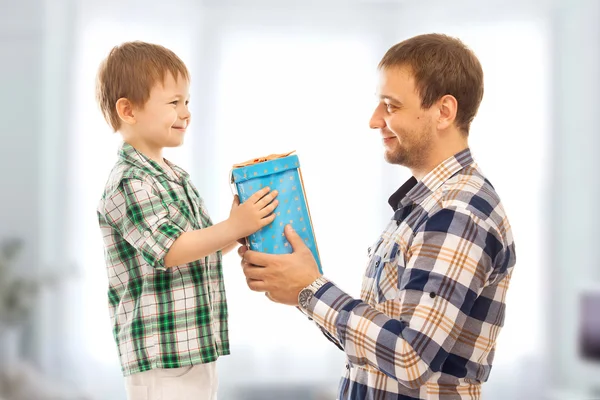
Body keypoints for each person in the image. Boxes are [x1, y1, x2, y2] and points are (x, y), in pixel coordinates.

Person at [238, 33, 516, 399]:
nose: (374, 120)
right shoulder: (426, 206)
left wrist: (310, 288)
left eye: (391, 106)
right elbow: (378, 347)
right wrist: (301, 290)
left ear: (444, 112)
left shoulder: (458, 212)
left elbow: (410, 357)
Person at [95, 41, 278, 400]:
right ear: (128, 110)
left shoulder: (174, 176)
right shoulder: (129, 181)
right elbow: (171, 251)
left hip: (192, 344)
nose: (186, 112)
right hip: (161, 354)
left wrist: (235, 228)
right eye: (173, 103)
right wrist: (234, 226)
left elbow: (196, 245)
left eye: (187, 102)